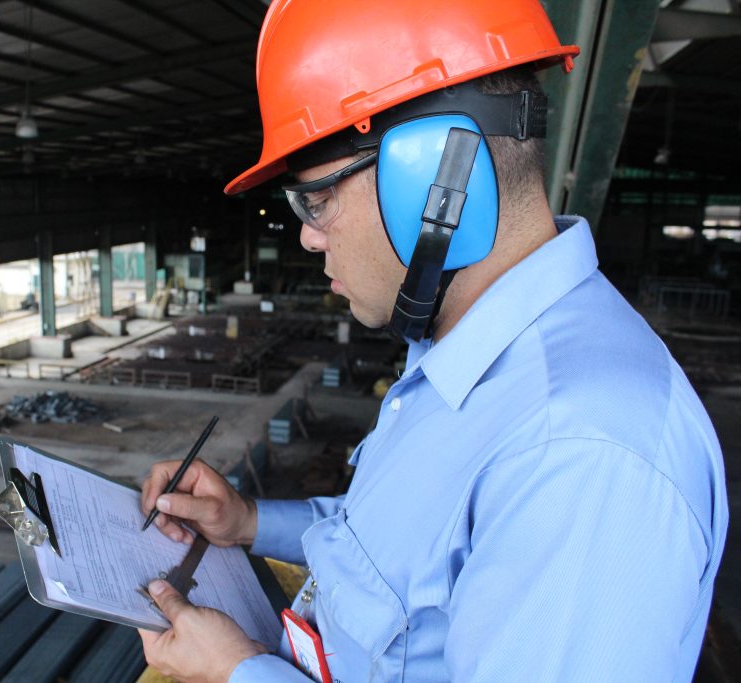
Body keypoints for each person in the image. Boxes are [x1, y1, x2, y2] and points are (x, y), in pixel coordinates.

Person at [137, 1, 729, 681]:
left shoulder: (584, 456)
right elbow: (397, 548)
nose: (306, 234)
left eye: (317, 200)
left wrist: (238, 671)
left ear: (437, 181)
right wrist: (245, 520)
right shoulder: (457, 352)